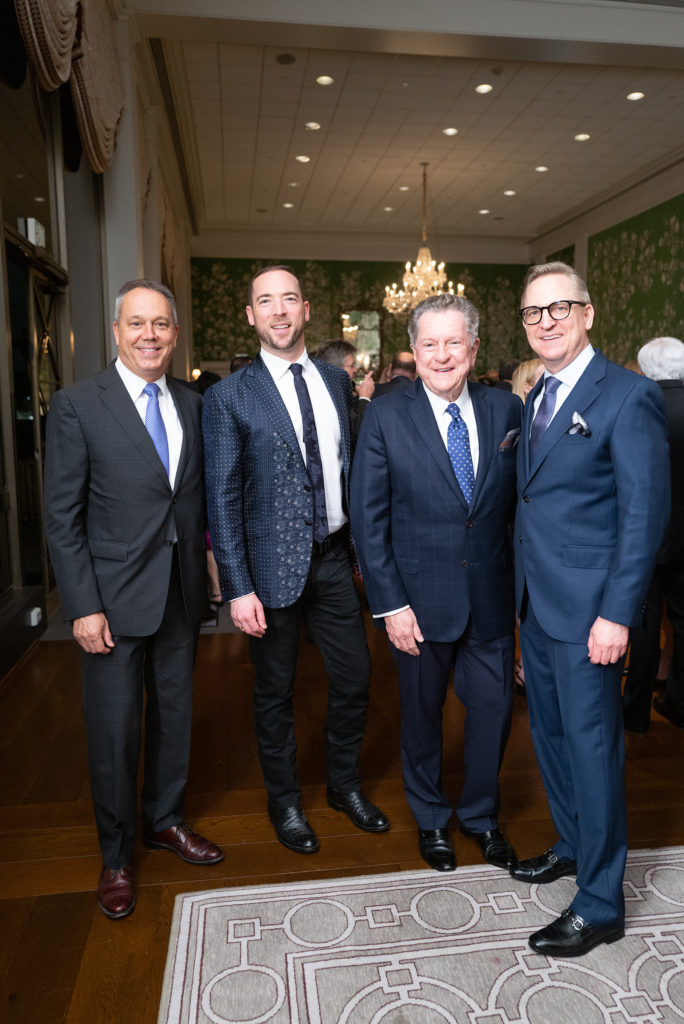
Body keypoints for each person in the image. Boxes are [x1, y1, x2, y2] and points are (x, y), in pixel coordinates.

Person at [44, 279, 223, 920]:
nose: (150, 335)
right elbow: (62, 517)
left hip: (179, 596)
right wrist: (82, 605)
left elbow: (193, 499)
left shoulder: (193, 403)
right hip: (112, 604)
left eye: (161, 325)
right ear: (115, 332)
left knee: (174, 721)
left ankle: (164, 822)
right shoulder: (77, 405)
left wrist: (210, 563)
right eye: (137, 324)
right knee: (116, 734)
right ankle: (116, 856)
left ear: (175, 334)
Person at [511, 261, 669, 957]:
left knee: (594, 751)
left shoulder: (628, 396)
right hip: (537, 608)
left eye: (559, 308)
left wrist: (617, 614)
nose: (546, 321)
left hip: (590, 616)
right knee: (549, 740)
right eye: (533, 312)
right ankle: (573, 845)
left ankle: (602, 903)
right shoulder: (537, 394)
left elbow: (643, 516)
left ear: (588, 314)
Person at [202, 265, 389, 854]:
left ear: (307, 310)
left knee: (356, 678)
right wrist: (238, 586)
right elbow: (224, 496)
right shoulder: (229, 396)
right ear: (251, 316)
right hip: (268, 570)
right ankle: (284, 803)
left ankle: (343, 786)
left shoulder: (338, 382)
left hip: (334, 559)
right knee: (275, 693)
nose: (279, 311)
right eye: (266, 301)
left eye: (289, 300)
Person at [350, 292, 522, 873]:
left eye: (454, 342)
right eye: (430, 344)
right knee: (422, 720)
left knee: (494, 715)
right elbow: (368, 523)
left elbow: (517, 511)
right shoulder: (385, 415)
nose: (442, 355)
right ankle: (430, 819)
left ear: (473, 349)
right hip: (417, 604)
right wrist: (390, 604)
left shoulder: (507, 412)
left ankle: (480, 817)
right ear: (414, 351)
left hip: (492, 598)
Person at [623, 337, 684, 731]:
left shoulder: (638, 404)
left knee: (643, 623)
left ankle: (635, 711)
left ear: (645, 367)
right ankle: (679, 701)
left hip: (644, 532)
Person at [315, 338, 374, 443]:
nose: (355, 370)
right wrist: (365, 397)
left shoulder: (325, 389)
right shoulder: (331, 397)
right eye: (351, 365)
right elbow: (360, 433)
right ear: (336, 369)